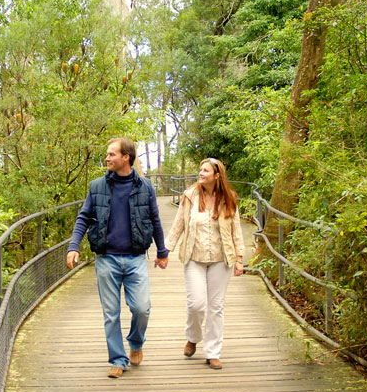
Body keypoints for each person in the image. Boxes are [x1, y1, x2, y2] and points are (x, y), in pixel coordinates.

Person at [67, 138, 169, 379]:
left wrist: (162, 252)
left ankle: (136, 342)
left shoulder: (145, 187)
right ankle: (117, 359)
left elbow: (155, 220)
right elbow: (84, 217)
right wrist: (74, 245)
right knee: (110, 313)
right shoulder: (97, 186)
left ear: (126, 157)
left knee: (141, 308)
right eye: (107, 154)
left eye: (112, 154)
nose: (107, 158)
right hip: (106, 258)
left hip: (135, 258)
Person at [165, 158, 244, 369]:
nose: (201, 173)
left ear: (217, 175)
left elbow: (236, 230)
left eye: (205, 170)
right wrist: (166, 250)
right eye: (200, 169)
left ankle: (213, 352)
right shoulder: (190, 196)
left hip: (221, 259)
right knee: (196, 305)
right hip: (194, 257)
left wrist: (239, 259)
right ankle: (193, 337)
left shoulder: (229, 199)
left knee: (216, 307)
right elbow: (178, 224)